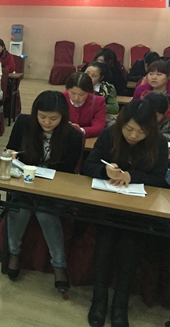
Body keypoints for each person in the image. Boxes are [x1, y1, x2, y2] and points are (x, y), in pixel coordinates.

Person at [82, 99, 168, 327]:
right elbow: (87, 166)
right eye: (129, 129)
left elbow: (161, 180)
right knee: (105, 241)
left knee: (129, 245)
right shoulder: (110, 135)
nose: (133, 135)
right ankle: (99, 300)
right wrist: (105, 170)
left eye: (141, 132)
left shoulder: (159, 143)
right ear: (122, 123)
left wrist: (134, 176)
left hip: (138, 210)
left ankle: (120, 304)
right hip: (108, 205)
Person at [5, 91, 82, 292]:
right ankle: (14, 253)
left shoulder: (72, 136)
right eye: (42, 117)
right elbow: (10, 150)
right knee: (19, 208)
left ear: (63, 116)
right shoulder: (24, 124)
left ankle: (59, 264)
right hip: (25, 184)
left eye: (53, 118)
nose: (47, 122)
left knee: (45, 213)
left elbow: (67, 173)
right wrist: (10, 155)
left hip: (52, 190)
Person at [62, 72, 106, 138]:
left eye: (81, 94)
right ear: (67, 89)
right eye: (72, 93)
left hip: (87, 138)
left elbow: (99, 125)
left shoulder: (98, 102)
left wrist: (81, 130)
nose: (76, 98)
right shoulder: (61, 97)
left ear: (89, 92)